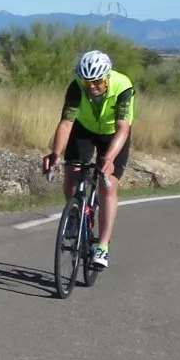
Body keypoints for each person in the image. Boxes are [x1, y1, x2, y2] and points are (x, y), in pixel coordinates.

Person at [40, 50, 134, 269]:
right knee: (71, 174)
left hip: (113, 134)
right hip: (84, 129)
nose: (91, 86)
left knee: (107, 186)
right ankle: (74, 215)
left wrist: (109, 158)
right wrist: (55, 155)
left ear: (107, 77)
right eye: (87, 82)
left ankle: (102, 245)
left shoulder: (123, 86)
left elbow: (123, 128)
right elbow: (66, 123)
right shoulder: (76, 86)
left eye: (97, 82)